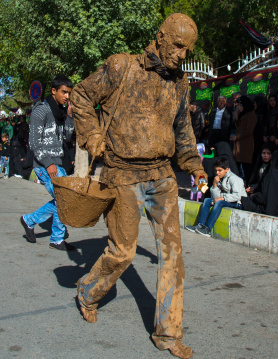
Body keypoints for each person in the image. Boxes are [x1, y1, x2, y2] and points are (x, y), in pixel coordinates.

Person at [70, 13, 206, 359]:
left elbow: (182, 129)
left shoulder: (180, 81)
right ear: (160, 37)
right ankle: (87, 291)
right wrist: (93, 136)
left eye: (187, 50)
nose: (181, 54)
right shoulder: (121, 67)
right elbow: (81, 97)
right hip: (122, 175)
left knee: (173, 256)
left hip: (162, 175)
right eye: (177, 45)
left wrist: (194, 166)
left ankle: (168, 333)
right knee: (122, 252)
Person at [19, 75, 75, 250]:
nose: (67, 96)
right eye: (64, 92)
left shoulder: (61, 112)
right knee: (63, 197)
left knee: (64, 198)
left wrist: (70, 117)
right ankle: (57, 239)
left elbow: (66, 137)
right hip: (45, 164)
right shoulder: (41, 110)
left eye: (69, 93)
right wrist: (48, 163)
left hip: (59, 163)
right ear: (54, 91)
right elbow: (34, 142)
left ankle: (29, 220)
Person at [185, 157, 246, 236]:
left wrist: (222, 198)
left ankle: (208, 229)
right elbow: (216, 197)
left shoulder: (235, 179)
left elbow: (237, 196)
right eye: (216, 170)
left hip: (237, 202)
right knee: (207, 200)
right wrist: (214, 185)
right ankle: (200, 225)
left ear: (227, 169)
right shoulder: (220, 178)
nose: (217, 173)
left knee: (219, 203)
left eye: (220, 170)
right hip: (226, 200)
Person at [241, 150, 278, 217]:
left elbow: (262, 198)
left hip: (269, 210)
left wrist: (253, 196)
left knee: (244, 201)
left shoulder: (270, 176)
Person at [232, 95, 257, 184]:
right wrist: (237, 118)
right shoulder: (242, 114)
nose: (237, 107)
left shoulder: (251, 115)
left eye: (239, 105)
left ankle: (248, 186)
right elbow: (238, 127)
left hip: (246, 145)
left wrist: (237, 137)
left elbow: (249, 131)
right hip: (239, 145)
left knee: (247, 168)